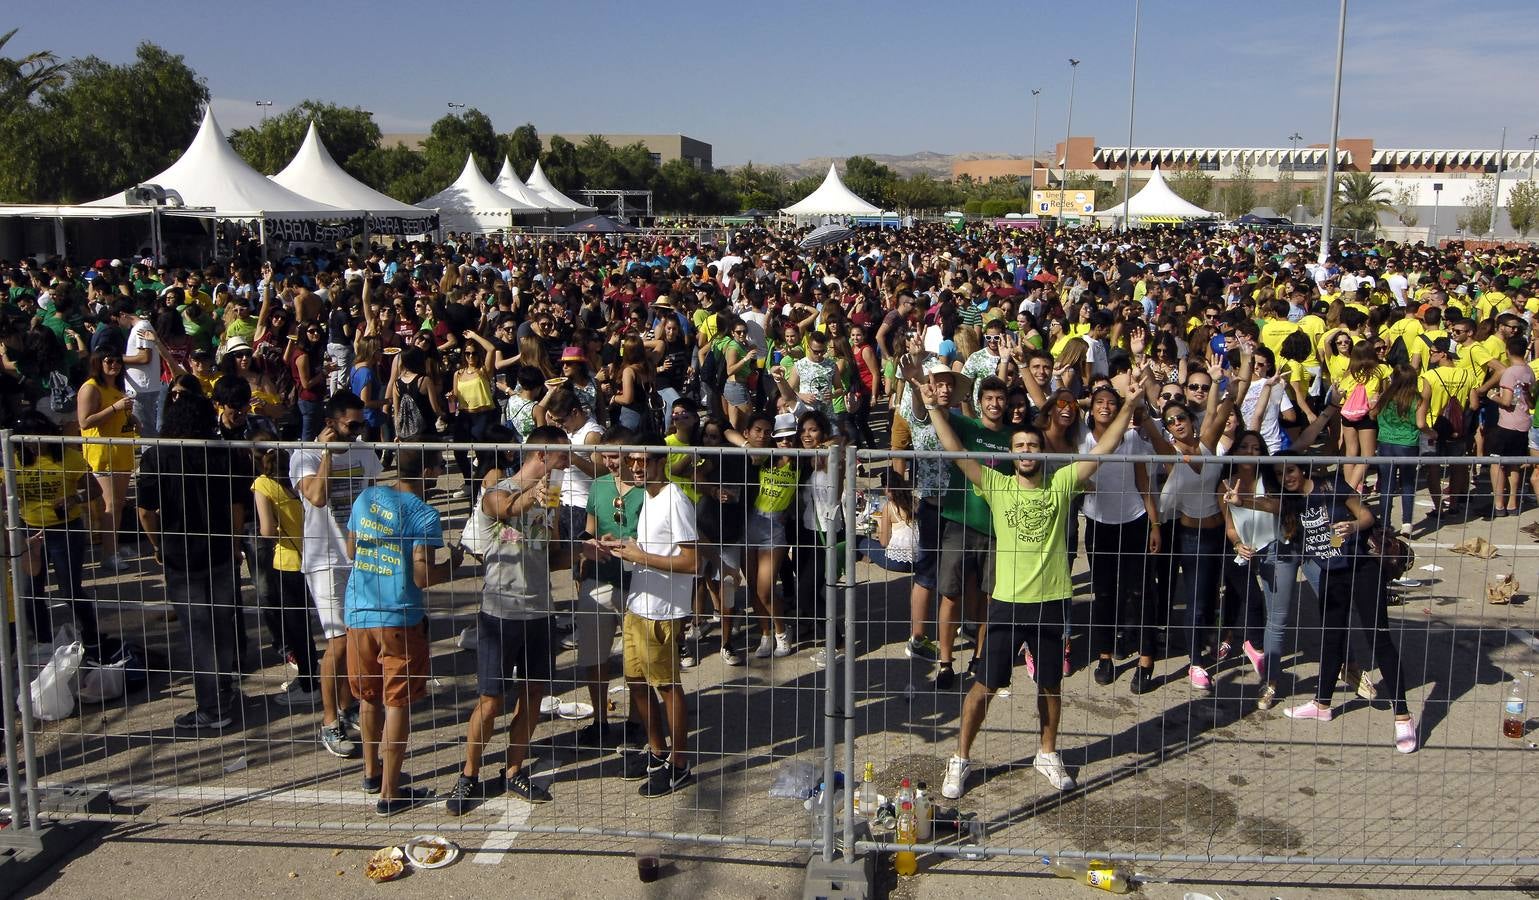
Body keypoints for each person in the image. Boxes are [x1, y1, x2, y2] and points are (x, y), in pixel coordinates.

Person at [927, 370, 1143, 800]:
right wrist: (934, 406)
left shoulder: (1062, 483)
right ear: (1010, 455)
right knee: (985, 685)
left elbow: (1105, 447)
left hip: (1051, 601)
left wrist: (1132, 404)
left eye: (1033, 446)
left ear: (1044, 453)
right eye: (1020, 446)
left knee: (1050, 685)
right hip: (1006, 603)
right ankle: (961, 758)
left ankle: (1047, 752)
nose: (1026, 451)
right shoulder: (996, 485)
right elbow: (954, 449)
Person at [445, 426, 569, 815]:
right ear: (541, 456)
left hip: (541, 612)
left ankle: (513, 769)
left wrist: (585, 549)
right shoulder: (497, 489)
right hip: (500, 614)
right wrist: (530, 497)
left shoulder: (552, 497)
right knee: (489, 701)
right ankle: (468, 774)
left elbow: (551, 554)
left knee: (532, 695)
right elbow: (504, 509)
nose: (568, 463)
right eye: (562, 456)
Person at [344, 445, 461, 815]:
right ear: (427, 471)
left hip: (359, 611)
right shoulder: (424, 515)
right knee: (397, 702)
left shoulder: (366, 497)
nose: (443, 471)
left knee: (368, 696)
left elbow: (352, 551)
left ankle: (371, 771)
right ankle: (390, 793)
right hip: (399, 616)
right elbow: (423, 575)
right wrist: (454, 565)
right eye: (440, 466)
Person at [1278, 457, 1418, 754]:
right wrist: (1240, 499)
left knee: (1378, 638)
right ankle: (1322, 704)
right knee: (1332, 636)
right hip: (1331, 571)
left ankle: (1403, 716)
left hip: (1362, 568)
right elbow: (1263, 506)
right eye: (1280, 475)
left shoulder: (1330, 485)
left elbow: (1367, 516)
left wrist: (1353, 525)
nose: (1286, 477)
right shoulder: (1290, 503)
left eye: (1289, 470)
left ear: (1301, 469)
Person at [136, 391, 251, 731]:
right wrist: (233, 544)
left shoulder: (157, 456)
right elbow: (236, 506)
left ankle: (211, 708)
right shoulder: (221, 453)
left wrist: (158, 545)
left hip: (180, 553)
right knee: (221, 622)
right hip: (219, 549)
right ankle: (224, 687)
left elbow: (145, 512)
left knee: (198, 632)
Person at [607, 434, 700, 797]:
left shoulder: (676, 500)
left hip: (662, 611)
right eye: (631, 461)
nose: (634, 467)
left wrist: (640, 557)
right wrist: (621, 548)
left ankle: (679, 764)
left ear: (660, 462)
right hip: (638, 604)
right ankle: (657, 751)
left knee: (666, 686)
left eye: (642, 461)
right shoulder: (648, 495)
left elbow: (693, 561)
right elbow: (650, 549)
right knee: (635, 681)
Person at [291, 390, 381, 758]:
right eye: (351, 425)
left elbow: (371, 496)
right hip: (325, 558)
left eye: (362, 424)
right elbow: (316, 496)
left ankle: (346, 708)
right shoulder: (304, 455)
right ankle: (329, 721)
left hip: (359, 555)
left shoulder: (364, 452)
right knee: (338, 642)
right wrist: (328, 455)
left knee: (358, 639)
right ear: (330, 423)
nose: (358, 431)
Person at [12, 411, 102, 658]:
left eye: (38, 438)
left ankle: (92, 635)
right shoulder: (15, 460)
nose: (33, 444)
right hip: (29, 530)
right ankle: (43, 643)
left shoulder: (70, 458)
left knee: (70, 589)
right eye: (27, 439)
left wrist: (75, 498)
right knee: (32, 590)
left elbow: (95, 489)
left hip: (65, 530)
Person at [250, 430, 322, 708]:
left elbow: (267, 530)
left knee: (295, 626)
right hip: (311, 555)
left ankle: (308, 683)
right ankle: (310, 675)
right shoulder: (296, 482)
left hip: (286, 560)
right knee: (308, 623)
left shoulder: (262, 485)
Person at [76, 351, 135, 572]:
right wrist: (114, 408)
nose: (115, 364)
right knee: (111, 505)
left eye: (118, 360)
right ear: (98, 363)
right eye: (109, 360)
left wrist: (131, 418)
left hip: (122, 452)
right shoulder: (90, 387)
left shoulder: (115, 388)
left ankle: (114, 546)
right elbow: (84, 421)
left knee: (117, 505)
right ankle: (109, 554)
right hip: (103, 455)